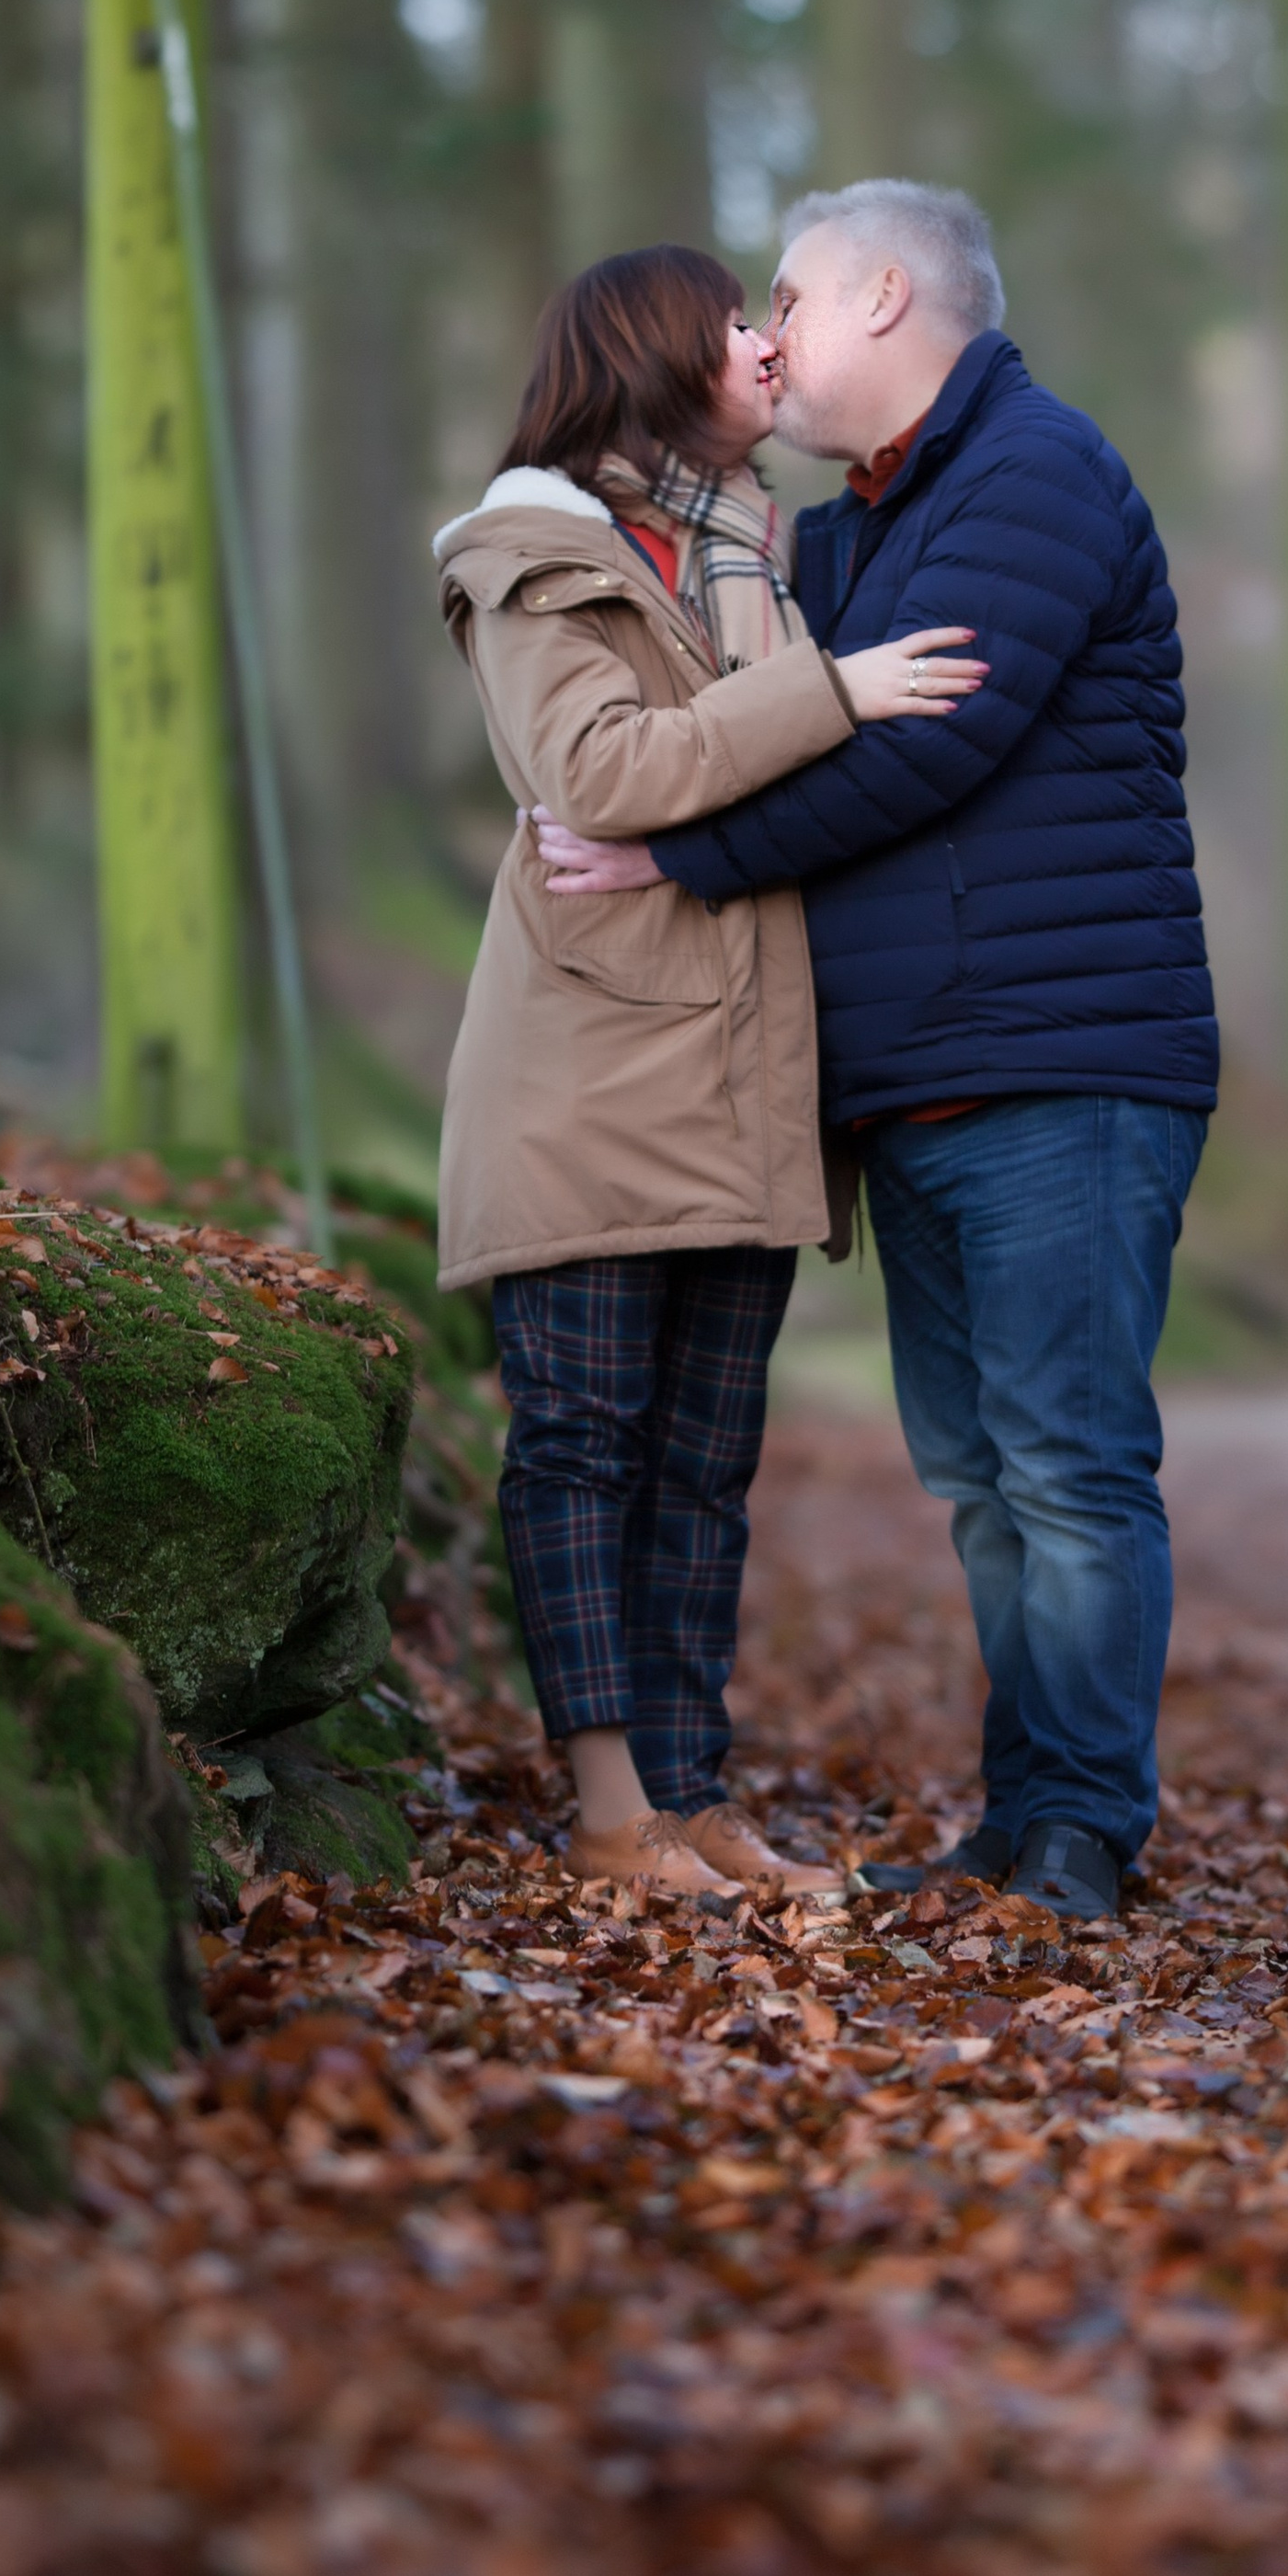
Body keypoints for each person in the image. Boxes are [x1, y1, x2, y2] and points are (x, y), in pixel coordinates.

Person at [532, 182, 1217, 1922]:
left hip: (1066, 1063)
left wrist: (671, 854)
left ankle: (1079, 1831)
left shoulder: (1034, 475)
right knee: (985, 1473)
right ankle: (1022, 1820)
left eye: (790, 298)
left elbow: (920, 753)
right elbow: (727, 664)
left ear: (888, 297)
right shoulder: (850, 525)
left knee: (1067, 1462)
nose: (770, 330)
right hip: (917, 1079)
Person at [434, 241, 986, 1906]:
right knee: (584, 1442)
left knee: (703, 1463)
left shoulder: (756, 545)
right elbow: (600, 770)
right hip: (594, 1072)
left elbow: (720, 788)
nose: (765, 343)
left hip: (744, 1072)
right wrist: (834, 696)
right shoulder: (529, 552)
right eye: (733, 321)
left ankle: (691, 1798)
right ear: (653, 356)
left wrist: (797, 701)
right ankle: (609, 1815)